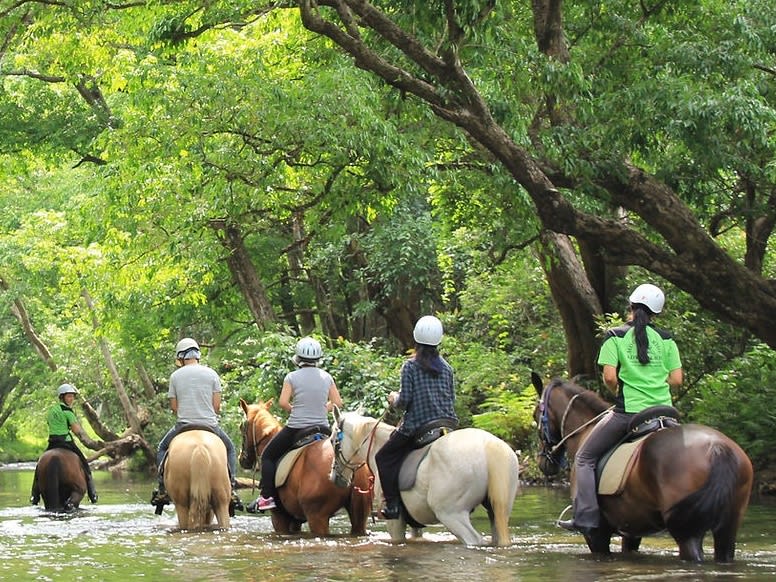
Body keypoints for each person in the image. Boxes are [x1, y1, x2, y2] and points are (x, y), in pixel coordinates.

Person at [558, 283, 683, 534]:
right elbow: (677, 380)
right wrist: (656, 383)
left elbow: (610, 378)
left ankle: (586, 517)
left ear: (631, 307)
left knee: (584, 458)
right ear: (657, 313)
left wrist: (620, 390)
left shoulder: (614, 336)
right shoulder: (667, 339)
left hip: (629, 413)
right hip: (666, 415)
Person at [375, 315, 458, 520]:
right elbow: (452, 398)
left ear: (416, 340)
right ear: (439, 340)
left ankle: (393, 505)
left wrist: (394, 398)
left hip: (418, 426)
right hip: (447, 425)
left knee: (383, 457)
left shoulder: (410, 366)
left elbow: (405, 401)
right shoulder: (447, 368)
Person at [247, 337, 342, 513]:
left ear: (298, 358)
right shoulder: (327, 377)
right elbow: (337, 402)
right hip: (323, 427)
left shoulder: (291, 377)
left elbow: (283, 403)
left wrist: (295, 410)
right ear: (318, 359)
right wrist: (323, 408)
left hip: (297, 428)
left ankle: (267, 497)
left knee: (268, 455)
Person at [151, 337, 243, 511]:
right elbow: (216, 407)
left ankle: (162, 489)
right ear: (197, 354)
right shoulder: (212, 374)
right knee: (230, 448)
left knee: (161, 448)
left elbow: (174, 408)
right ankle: (231, 489)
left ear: (180, 356)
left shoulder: (175, 376)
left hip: (183, 425)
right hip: (210, 426)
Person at [31, 383, 98, 505]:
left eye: (72, 396)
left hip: (52, 442)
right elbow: (77, 430)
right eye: (69, 396)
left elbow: (50, 424)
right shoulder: (68, 411)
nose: (71, 399)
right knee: (85, 464)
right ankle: (92, 493)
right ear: (62, 397)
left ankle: (34, 495)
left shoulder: (52, 410)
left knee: (39, 465)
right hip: (66, 442)